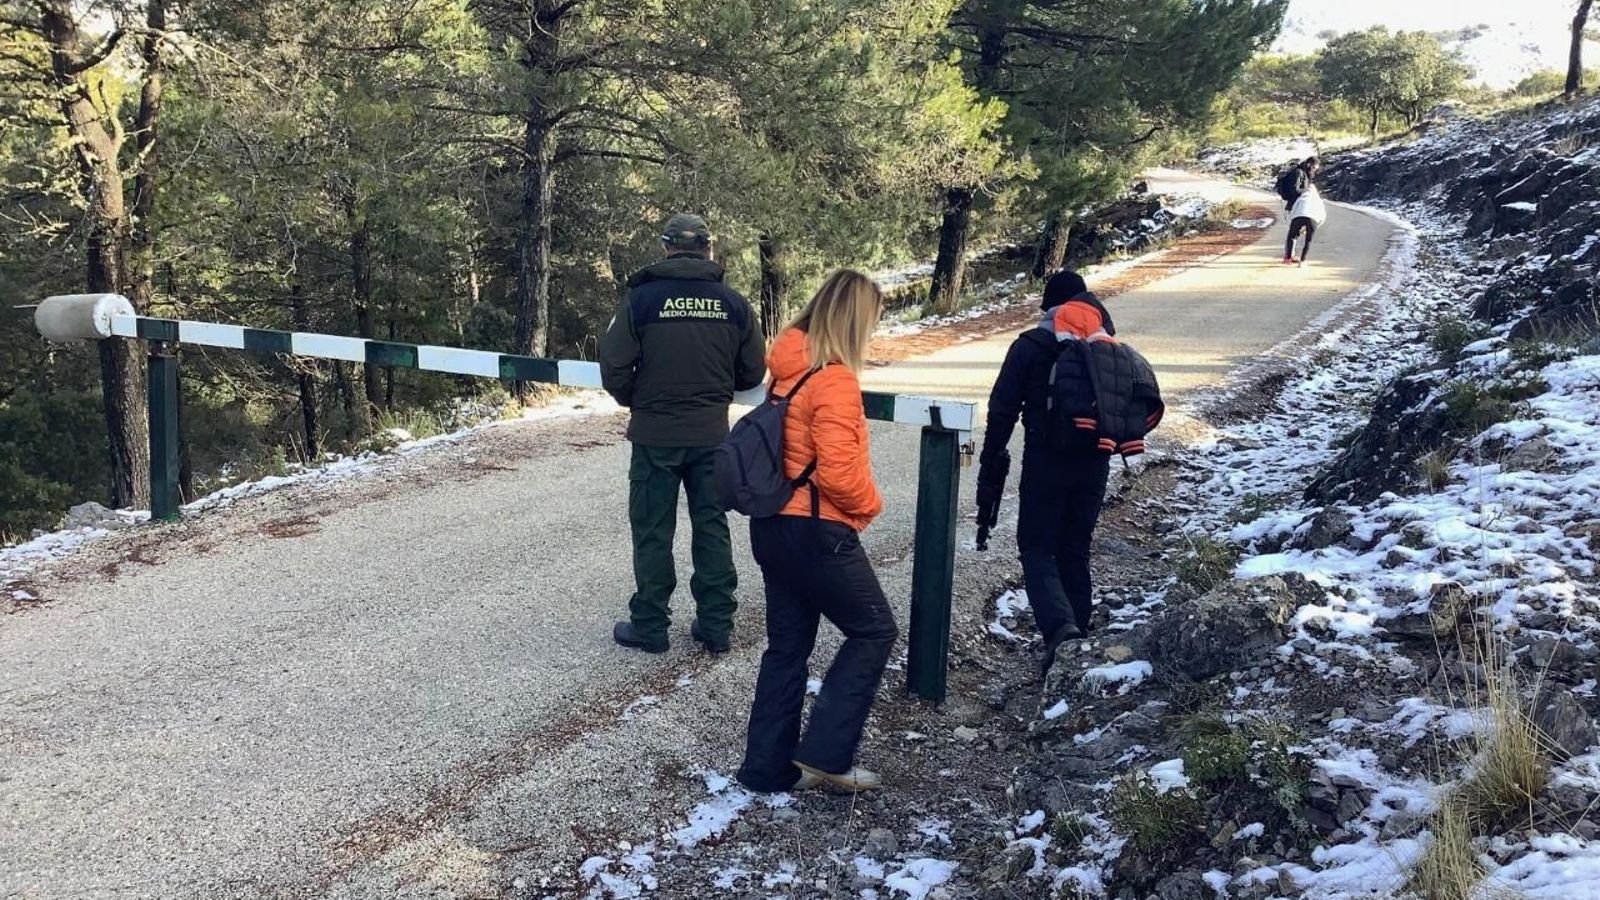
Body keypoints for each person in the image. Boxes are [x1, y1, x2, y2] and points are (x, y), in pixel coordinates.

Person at [736, 270, 894, 795]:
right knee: (874, 629)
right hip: (817, 532)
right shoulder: (834, 379)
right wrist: (872, 506)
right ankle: (827, 752)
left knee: (786, 648)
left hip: (774, 527)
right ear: (855, 320)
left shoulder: (785, 372)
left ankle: (766, 769)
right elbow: (838, 474)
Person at [599, 213, 767, 655]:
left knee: (653, 529)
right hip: (712, 435)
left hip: (654, 437)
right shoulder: (733, 304)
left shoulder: (641, 301)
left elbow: (613, 366)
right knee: (711, 526)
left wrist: (640, 399)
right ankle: (716, 625)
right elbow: (753, 371)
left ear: (666, 247)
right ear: (708, 249)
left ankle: (650, 625)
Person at [976, 270, 1116, 673]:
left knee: (1036, 546)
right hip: (1095, 461)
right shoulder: (1106, 346)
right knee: (1075, 545)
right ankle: (1079, 640)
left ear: (1050, 309)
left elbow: (1002, 408)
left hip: (1046, 459)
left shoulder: (1031, 345)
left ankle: (1060, 632)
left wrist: (991, 457)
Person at [1285, 183, 1328, 267]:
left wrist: (1292, 222)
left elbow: (1294, 210)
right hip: (1313, 219)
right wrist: (1316, 225)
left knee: (1291, 236)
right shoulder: (1318, 200)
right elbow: (1322, 215)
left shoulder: (1301, 198)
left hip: (1298, 217)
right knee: (1308, 240)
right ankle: (1303, 261)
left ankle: (1288, 259)